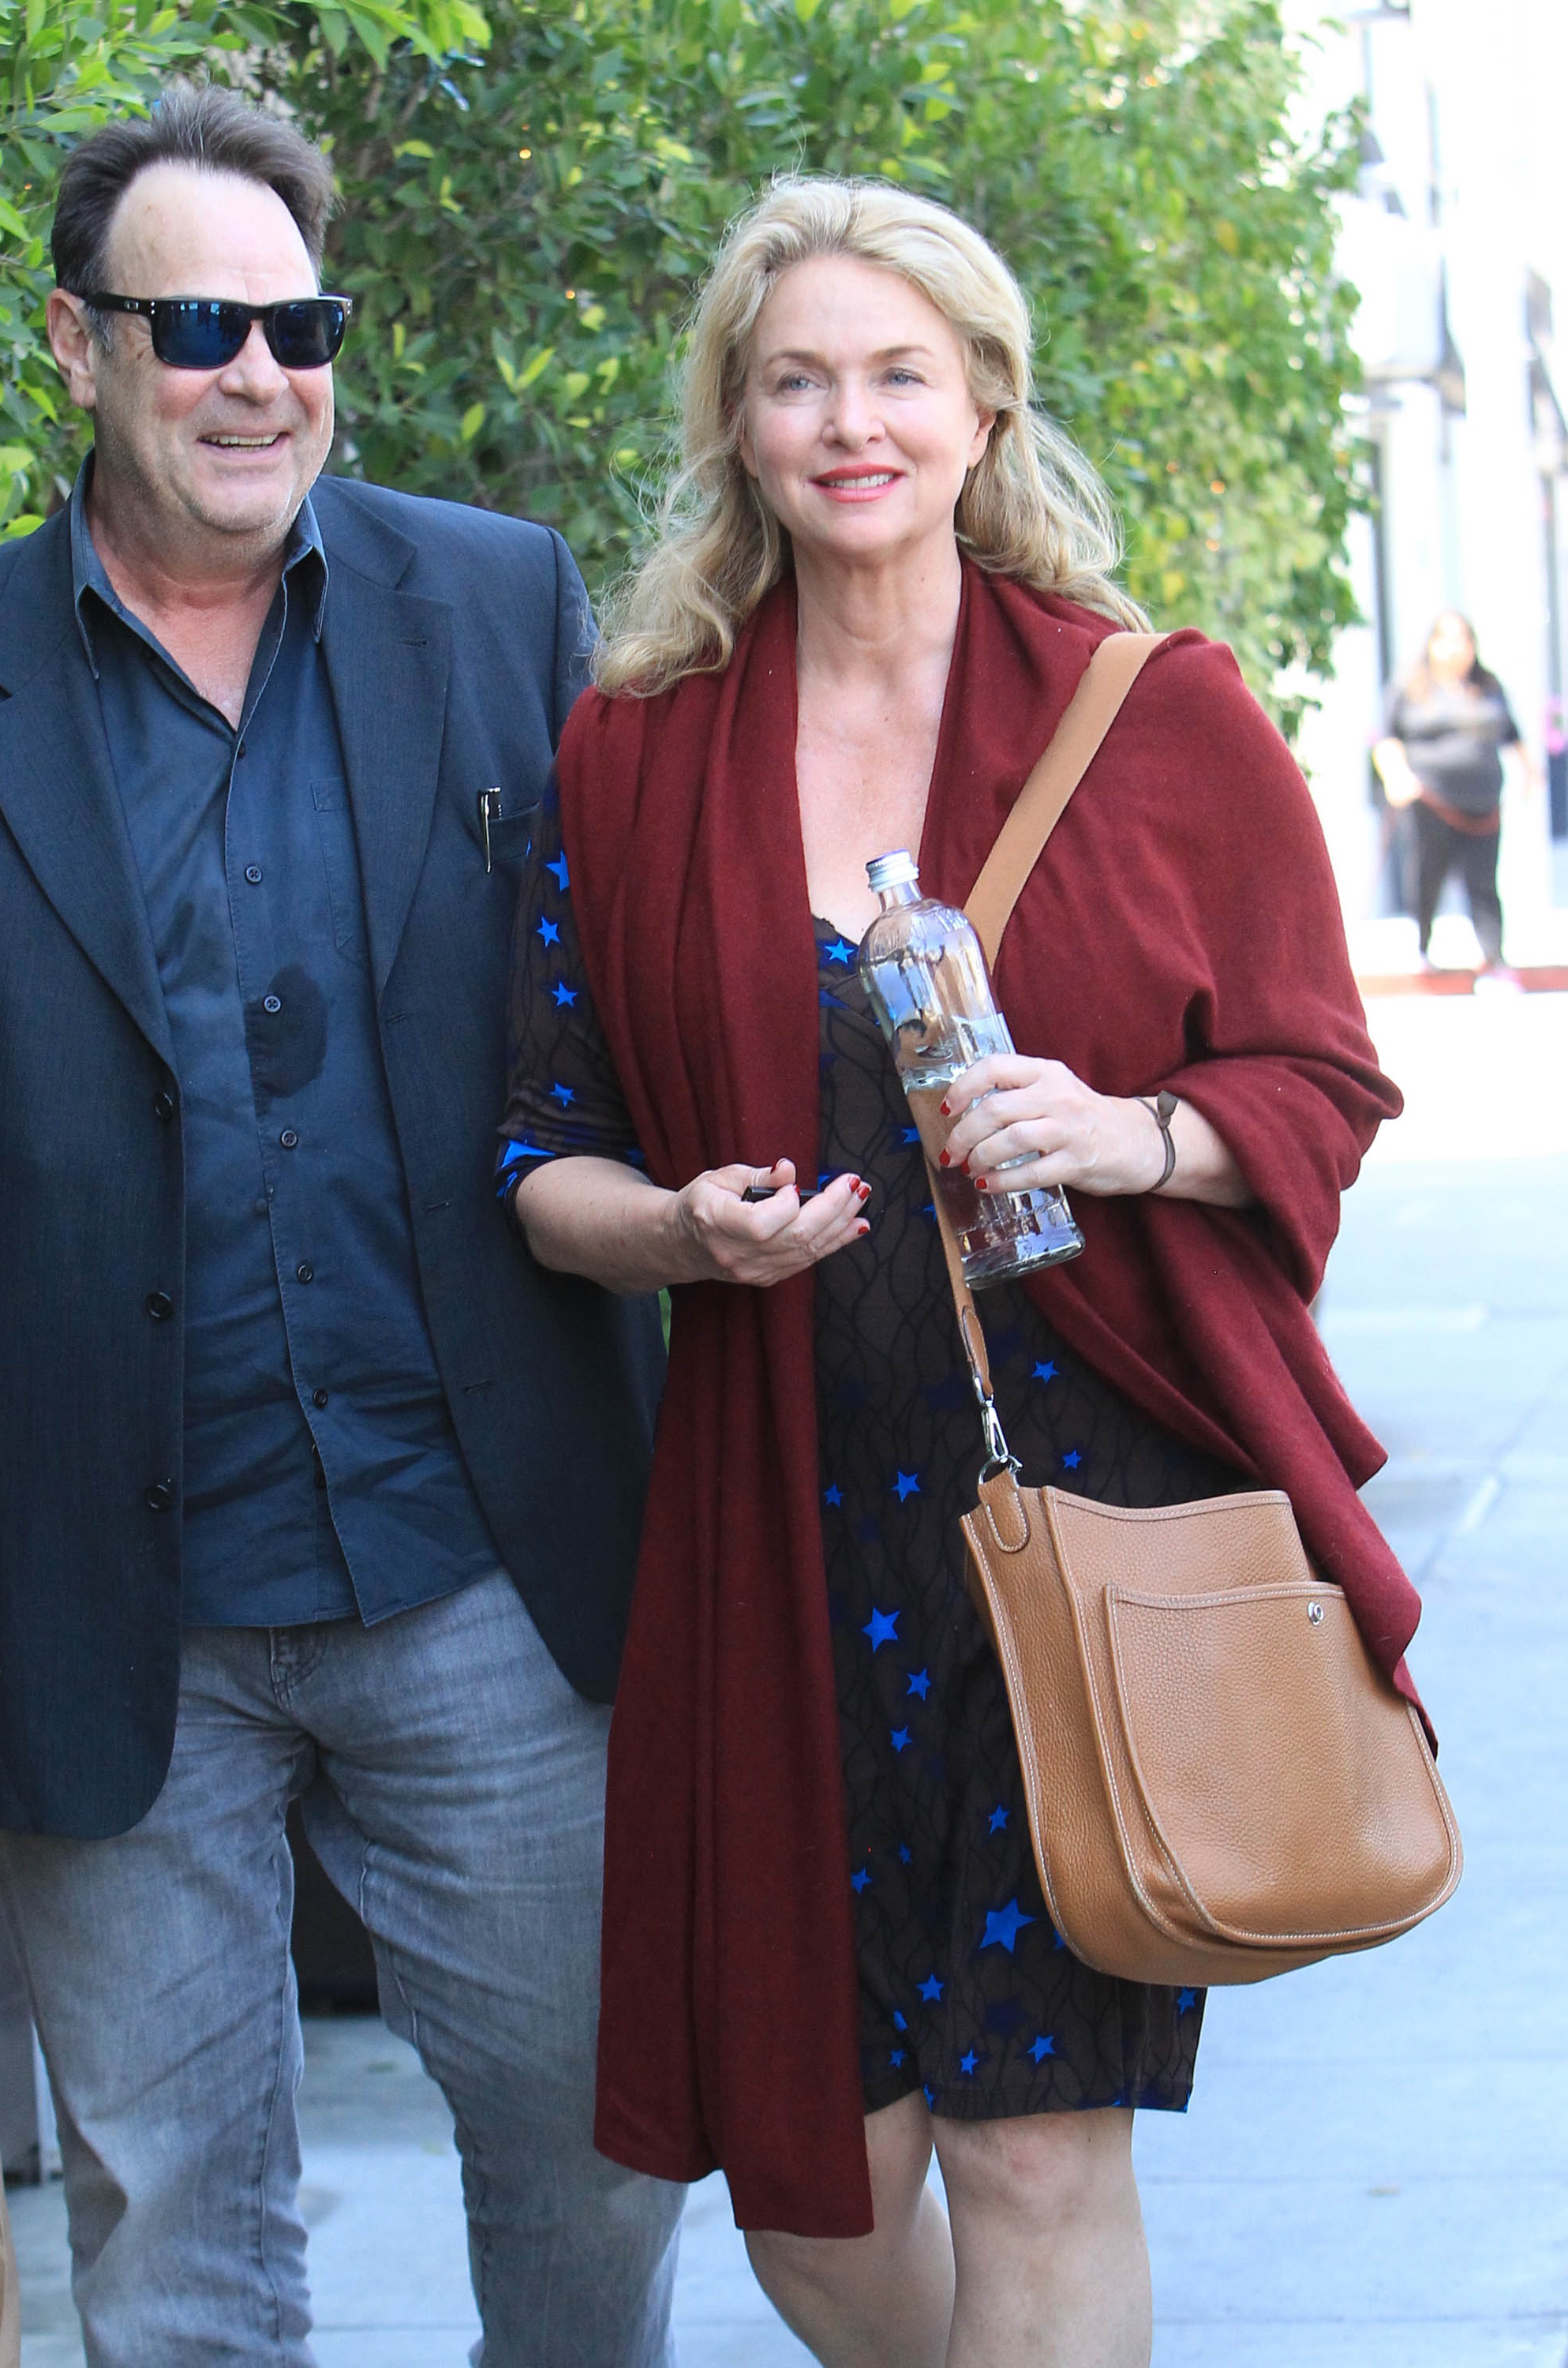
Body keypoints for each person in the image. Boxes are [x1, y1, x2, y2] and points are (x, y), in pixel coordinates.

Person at [0, 88, 683, 2368]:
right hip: (99, 1585)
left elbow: (632, 1000)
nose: (258, 372)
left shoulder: (496, 606)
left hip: (487, 1566)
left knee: (597, 2159)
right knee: (177, 2242)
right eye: (196, 324)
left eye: (297, 319)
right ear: (74, 344)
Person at [498, 176, 1421, 2368]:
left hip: (1069, 1521)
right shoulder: (634, 751)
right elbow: (536, 1156)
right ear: (732, 420)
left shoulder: (1154, 714)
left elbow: (1315, 1074)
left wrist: (1131, 1134)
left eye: (895, 373)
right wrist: (676, 1235)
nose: (848, 422)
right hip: (771, 1529)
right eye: (795, 376)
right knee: (808, 2197)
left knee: (1030, 2147)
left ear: (984, 404)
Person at [1374, 609, 1541, 988]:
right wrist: (1396, 777)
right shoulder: (1410, 687)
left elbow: (1512, 734)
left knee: (1484, 882)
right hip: (1430, 800)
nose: (1455, 648)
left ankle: (1494, 959)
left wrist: (1531, 774)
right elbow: (1386, 738)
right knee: (1426, 875)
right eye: (1447, 639)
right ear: (1431, 644)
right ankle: (1422, 949)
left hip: (1483, 803)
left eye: (1463, 639)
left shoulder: (1488, 686)